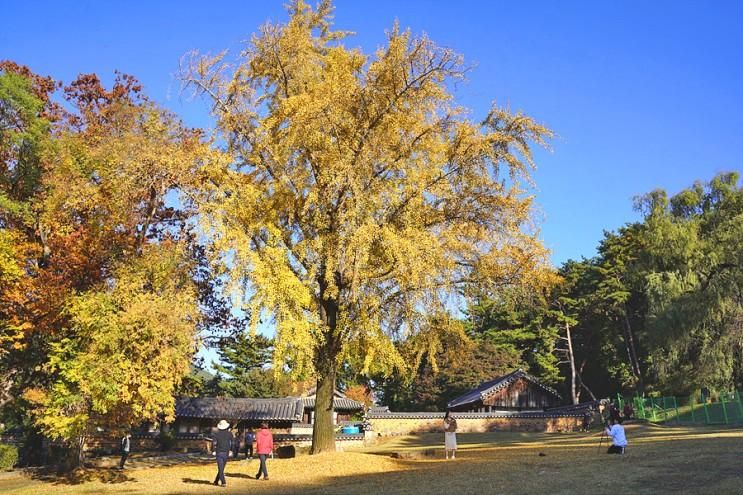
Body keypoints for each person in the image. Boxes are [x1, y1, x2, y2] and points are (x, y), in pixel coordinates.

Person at [212, 419, 234, 487]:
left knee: (220, 469)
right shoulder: (229, 433)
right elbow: (232, 443)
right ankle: (217, 481)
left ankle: (223, 482)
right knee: (221, 468)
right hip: (226, 452)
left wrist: (213, 450)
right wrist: (231, 450)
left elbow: (214, 443)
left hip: (219, 452)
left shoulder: (216, 434)